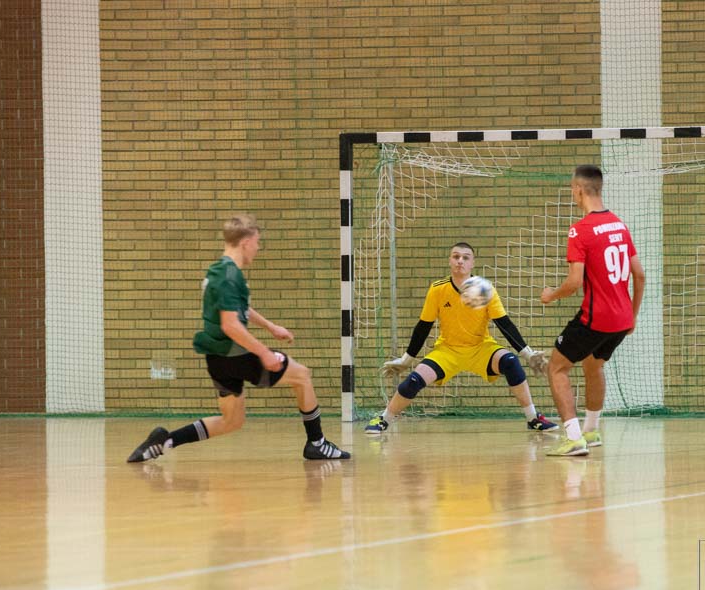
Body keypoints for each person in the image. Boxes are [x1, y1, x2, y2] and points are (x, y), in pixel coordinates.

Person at [128, 214, 350, 462]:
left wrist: (270, 326)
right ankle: (317, 443)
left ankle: (165, 441)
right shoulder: (230, 275)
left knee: (231, 420)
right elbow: (231, 324)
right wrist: (264, 353)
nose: (258, 248)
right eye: (257, 242)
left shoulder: (218, 270)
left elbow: (238, 309)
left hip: (217, 358)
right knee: (302, 375)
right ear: (246, 242)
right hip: (236, 353)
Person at [366, 242, 557, 435]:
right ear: (449, 261)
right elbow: (423, 326)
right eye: (456, 256)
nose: (460, 261)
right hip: (447, 350)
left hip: (481, 348)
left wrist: (527, 354)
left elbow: (504, 324)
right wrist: (406, 360)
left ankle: (532, 418)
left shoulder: (485, 289)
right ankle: (384, 419)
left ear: (472, 263)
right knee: (414, 380)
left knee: (510, 362)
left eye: (466, 257)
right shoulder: (438, 289)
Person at [539, 165, 645, 456]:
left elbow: (574, 283)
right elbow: (640, 275)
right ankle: (591, 430)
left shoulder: (580, 229)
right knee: (593, 365)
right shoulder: (619, 225)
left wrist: (551, 295)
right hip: (621, 319)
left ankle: (573, 438)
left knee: (556, 367)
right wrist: (633, 315)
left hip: (596, 318)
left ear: (578, 190)